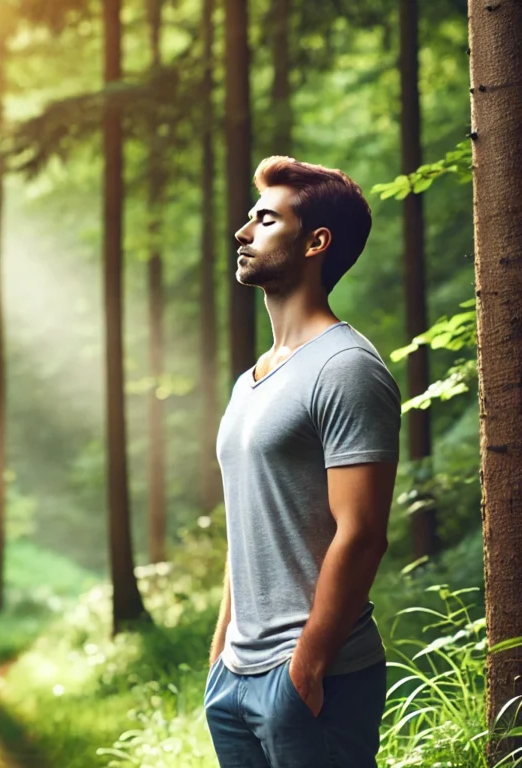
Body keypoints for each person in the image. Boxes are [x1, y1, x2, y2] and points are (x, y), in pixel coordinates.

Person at [204, 156, 402, 768]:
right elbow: (249, 530)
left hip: (316, 680)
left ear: (316, 242)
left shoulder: (346, 369)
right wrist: (220, 660)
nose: (243, 233)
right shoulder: (251, 382)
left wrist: (306, 668)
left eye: (265, 220)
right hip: (237, 679)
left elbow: (362, 532)